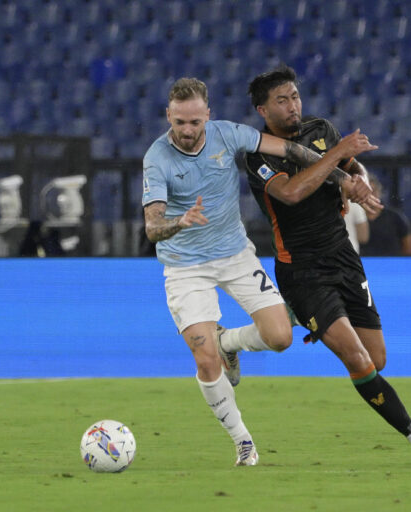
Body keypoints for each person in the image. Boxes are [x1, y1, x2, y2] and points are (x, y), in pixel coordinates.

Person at [142, 77, 376, 466]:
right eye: (179, 122)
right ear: (169, 115)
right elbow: (152, 227)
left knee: (280, 336)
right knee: (203, 356)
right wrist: (180, 221)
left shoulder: (229, 134)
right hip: (186, 267)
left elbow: (295, 152)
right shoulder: (157, 158)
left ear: (208, 117)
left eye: (195, 122)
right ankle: (242, 442)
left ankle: (228, 342)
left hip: (235, 256)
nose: (187, 131)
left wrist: (347, 181)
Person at [242, 64, 411, 465]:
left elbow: (351, 170)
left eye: (295, 96)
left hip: (344, 258)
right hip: (302, 270)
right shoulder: (257, 155)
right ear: (263, 110)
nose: (292, 106)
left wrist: (359, 182)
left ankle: (301, 318)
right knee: (357, 360)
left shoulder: (320, 129)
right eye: (281, 101)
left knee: (377, 359)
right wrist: (339, 154)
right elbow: (292, 192)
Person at [361, 173, 411, 256]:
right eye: (366, 191)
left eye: (373, 191)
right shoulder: (356, 218)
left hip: (391, 265)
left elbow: (407, 243)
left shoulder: (395, 217)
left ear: (380, 192)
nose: (371, 195)